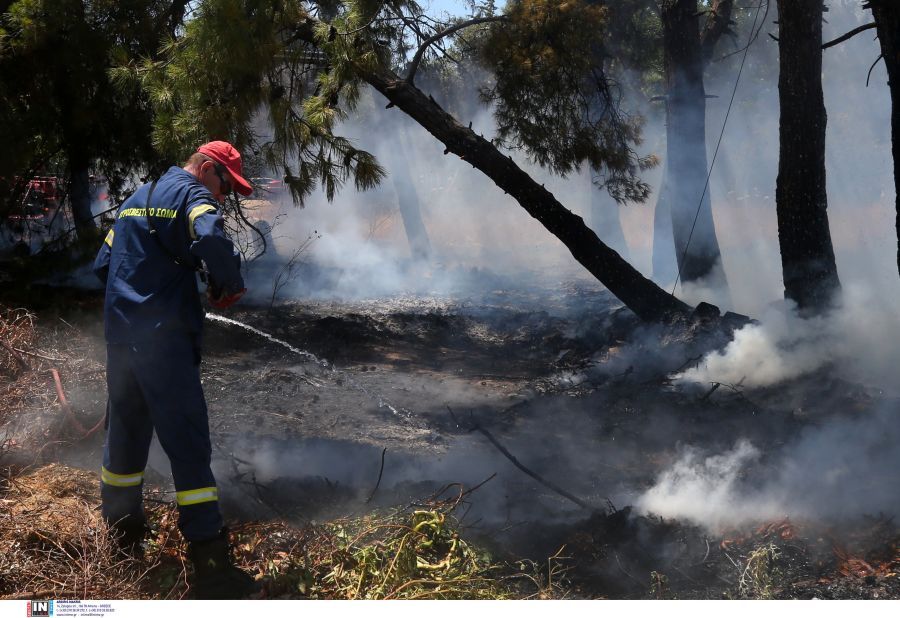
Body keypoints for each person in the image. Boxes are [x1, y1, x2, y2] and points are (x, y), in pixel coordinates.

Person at [93, 141, 255, 599]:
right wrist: (228, 283)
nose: (224, 196)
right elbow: (212, 237)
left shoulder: (134, 200)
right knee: (187, 445)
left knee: (124, 439)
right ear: (206, 169)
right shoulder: (191, 195)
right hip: (163, 343)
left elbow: (103, 265)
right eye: (225, 184)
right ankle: (211, 567)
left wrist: (147, 283)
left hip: (121, 338)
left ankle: (122, 539)